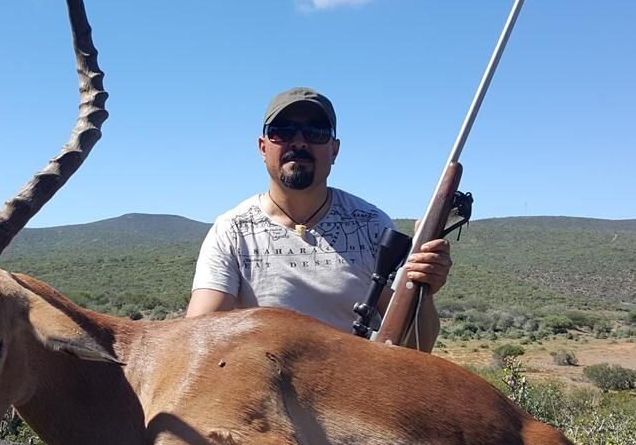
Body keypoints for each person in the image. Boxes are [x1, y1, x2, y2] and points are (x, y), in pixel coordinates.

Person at [186, 87, 450, 350]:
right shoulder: (232, 230)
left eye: (316, 133)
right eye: (283, 131)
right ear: (262, 147)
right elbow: (196, 337)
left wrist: (423, 288)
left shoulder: (372, 225)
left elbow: (417, 345)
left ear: (334, 151)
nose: (299, 142)